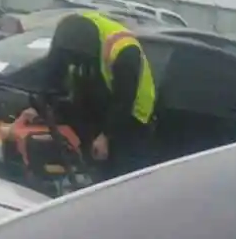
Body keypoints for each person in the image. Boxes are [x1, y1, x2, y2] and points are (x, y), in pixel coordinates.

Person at [30, 11, 157, 179]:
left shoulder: (125, 49)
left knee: (125, 174)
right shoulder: (69, 33)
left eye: (78, 60)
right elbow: (53, 73)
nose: (74, 62)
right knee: (94, 160)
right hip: (100, 101)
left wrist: (106, 136)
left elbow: (123, 101)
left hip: (133, 115)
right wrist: (40, 107)